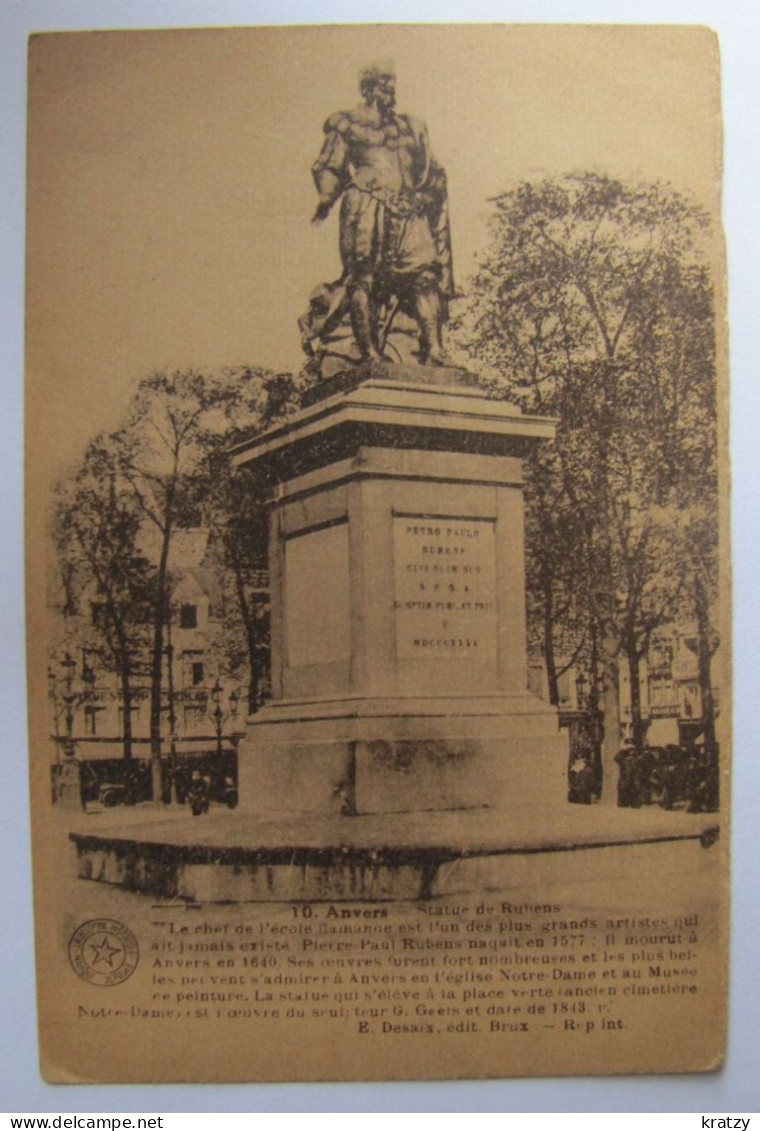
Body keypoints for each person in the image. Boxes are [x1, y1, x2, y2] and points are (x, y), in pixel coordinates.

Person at [305, 62, 454, 366]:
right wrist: (326, 197)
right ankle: (369, 352)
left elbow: (432, 170)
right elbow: (329, 164)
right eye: (383, 84)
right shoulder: (347, 123)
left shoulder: (410, 127)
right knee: (365, 280)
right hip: (366, 207)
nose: (389, 89)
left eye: (392, 83)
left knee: (425, 275)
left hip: (409, 210)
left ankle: (435, 350)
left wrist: (426, 195)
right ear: (368, 88)